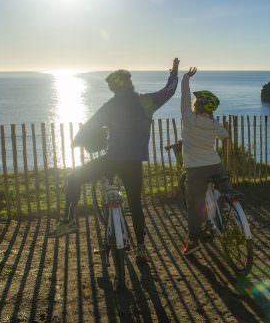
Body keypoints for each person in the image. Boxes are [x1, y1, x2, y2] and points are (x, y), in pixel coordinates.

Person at [55, 58, 180, 263]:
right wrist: (174, 73)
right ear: (130, 83)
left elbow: (88, 127)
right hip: (134, 162)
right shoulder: (145, 102)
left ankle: (68, 219)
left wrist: (75, 143)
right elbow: (169, 90)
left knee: (75, 178)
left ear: (113, 88)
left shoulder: (110, 106)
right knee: (136, 205)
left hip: (112, 159)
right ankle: (140, 248)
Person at [180, 67, 229, 255]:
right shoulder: (214, 124)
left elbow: (184, 97)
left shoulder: (189, 119)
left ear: (196, 105)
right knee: (222, 190)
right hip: (215, 165)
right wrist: (213, 126)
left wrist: (185, 78)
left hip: (195, 169)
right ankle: (222, 209)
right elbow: (225, 135)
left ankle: (193, 241)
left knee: (194, 205)